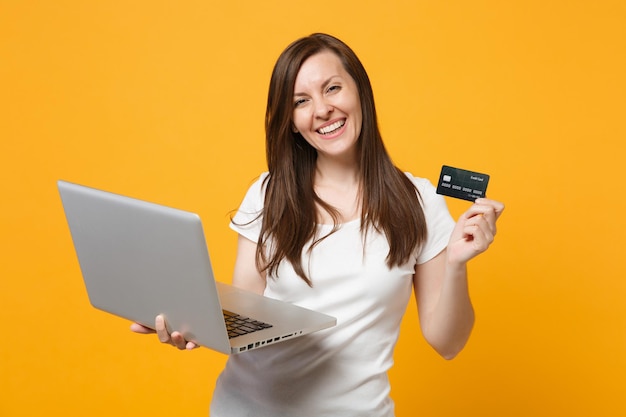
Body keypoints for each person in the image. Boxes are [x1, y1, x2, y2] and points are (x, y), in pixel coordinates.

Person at [132, 33, 504, 416]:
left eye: (333, 88)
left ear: (360, 92)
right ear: (292, 122)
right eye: (301, 102)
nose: (322, 109)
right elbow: (243, 313)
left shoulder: (419, 202)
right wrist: (190, 325)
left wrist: (458, 263)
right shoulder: (268, 192)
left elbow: (449, 343)